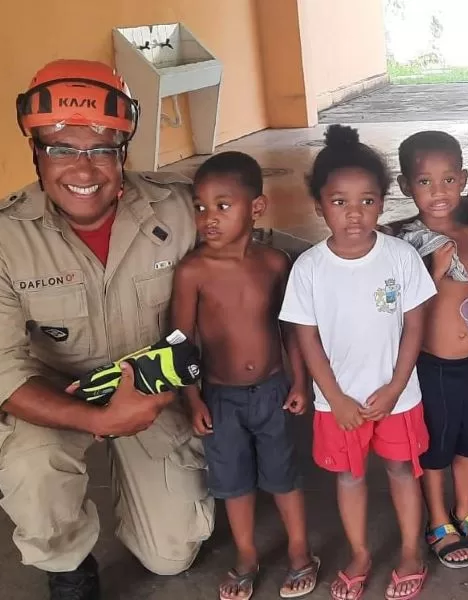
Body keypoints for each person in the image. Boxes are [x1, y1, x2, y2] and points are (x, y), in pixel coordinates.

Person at [0, 59, 215, 599]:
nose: (83, 168)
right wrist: (97, 419)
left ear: (122, 153)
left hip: (152, 396)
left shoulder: (176, 208)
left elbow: (233, 281)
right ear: (35, 151)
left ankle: (148, 502)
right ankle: (68, 561)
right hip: (55, 395)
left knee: (171, 556)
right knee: (34, 468)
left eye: (101, 148)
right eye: (61, 148)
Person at [279, 124, 436, 600]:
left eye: (367, 201)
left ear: (383, 203)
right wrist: (335, 397)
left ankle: (412, 551)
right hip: (338, 403)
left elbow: (414, 327)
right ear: (319, 204)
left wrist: (394, 387)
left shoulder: (401, 256)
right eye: (339, 201)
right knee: (348, 478)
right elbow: (306, 339)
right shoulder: (309, 268)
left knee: (401, 471)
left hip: (398, 395)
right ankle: (361, 553)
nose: (354, 214)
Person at [171, 151, 320, 599]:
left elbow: (290, 329)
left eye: (222, 205)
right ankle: (246, 557)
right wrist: (192, 399)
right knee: (233, 482)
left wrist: (300, 381)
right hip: (220, 397)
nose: (208, 218)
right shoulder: (193, 270)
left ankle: (299, 553)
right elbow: (180, 339)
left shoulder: (274, 263)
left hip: (273, 390)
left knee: (283, 476)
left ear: (256, 208)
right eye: (199, 207)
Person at [394, 131, 468, 569]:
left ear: (462, 179)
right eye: (424, 182)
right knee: (435, 448)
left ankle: (465, 510)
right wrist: (431, 271)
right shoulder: (402, 243)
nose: (438, 192)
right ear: (405, 186)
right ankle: (438, 520)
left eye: (447, 180)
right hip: (430, 367)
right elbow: (396, 305)